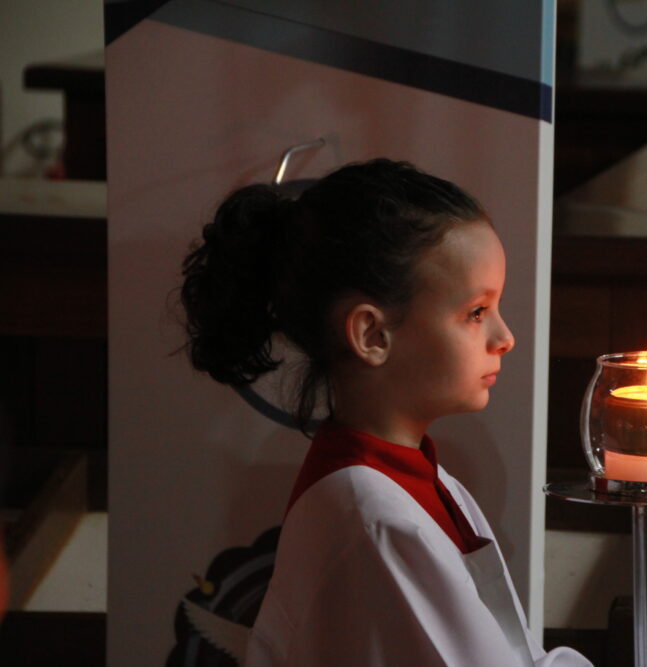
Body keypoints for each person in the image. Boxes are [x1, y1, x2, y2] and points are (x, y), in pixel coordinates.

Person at [179, 158, 592, 666]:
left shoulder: (419, 482)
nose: (505, 338)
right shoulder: (373, 516)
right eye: (476, 313)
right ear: (372, 335)